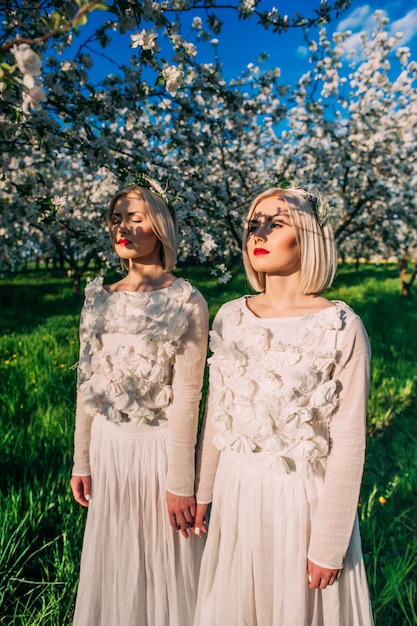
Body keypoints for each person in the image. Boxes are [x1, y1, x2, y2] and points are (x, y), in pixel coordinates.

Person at [192, 186, 374, 625]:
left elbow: (349, 442)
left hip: (302, 502)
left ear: (310, 236)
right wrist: (204, 488)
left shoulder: (341, 325)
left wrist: (330, 542)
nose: (259, 232)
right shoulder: (231, 317)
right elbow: (220, 409)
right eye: (253, 223)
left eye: (276, 223)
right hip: (237, 493)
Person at [70, 183, 209, 626]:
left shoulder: (187, 300)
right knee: (116, 557)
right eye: (115, 218)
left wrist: (181, 481)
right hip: (109, 449)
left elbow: (189, 395)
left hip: (158, 452)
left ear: (161, 226)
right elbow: (87, 383)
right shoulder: (99, 298)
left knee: (166, 563)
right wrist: (81, 460)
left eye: (135, 217)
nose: (122, 228)